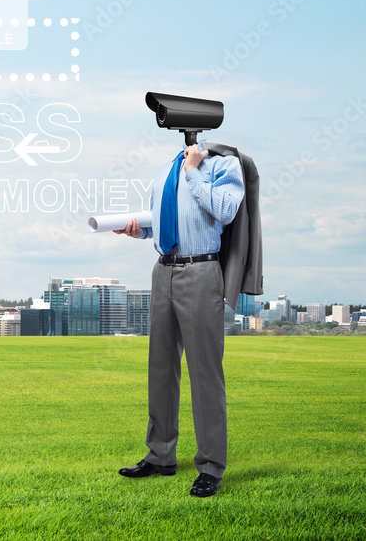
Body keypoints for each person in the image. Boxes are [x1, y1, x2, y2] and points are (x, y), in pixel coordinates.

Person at [114, 142, 244, 498]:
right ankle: (160, 456)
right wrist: (137, 229)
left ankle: (211, 468)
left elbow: (226, 209)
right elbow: (162, 223)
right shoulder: (163, 172)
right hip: (163, 271)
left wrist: (193, 171)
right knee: (160, 368)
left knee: (204, 372)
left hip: (201, 269)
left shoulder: (223, 165)